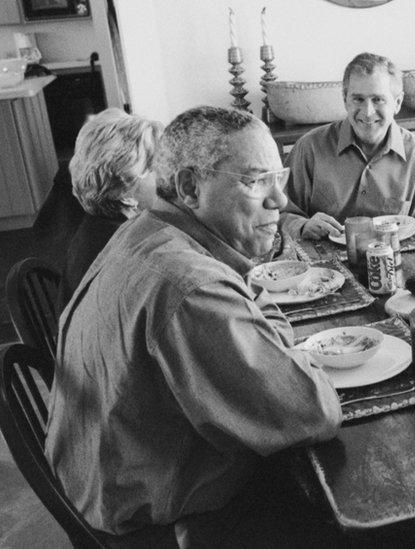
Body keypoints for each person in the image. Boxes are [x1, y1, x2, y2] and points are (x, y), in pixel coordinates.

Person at [46, 106, 343, 545]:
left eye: (277, 179)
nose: (279, 201)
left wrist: (271, 345)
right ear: (189, 187)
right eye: (255, 180)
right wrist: (290, 361)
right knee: (373, 514)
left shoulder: (147, 231)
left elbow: (251, 302)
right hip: (157, 529)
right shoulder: (190, 287)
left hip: (108, 484)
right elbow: (312, 411)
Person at [282, 52, 415, 240]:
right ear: (345, 99)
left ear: (397, 103)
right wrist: (303, 226)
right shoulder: (309, 148)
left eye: (378, 99)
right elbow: (278, 215)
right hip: (324, 263)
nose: (368, 112)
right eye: (358, 99)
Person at [56, 108, 163, 311]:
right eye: (156, 168)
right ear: (123, 192)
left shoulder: (99, 226)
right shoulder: (125, 250)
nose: (165, 177)